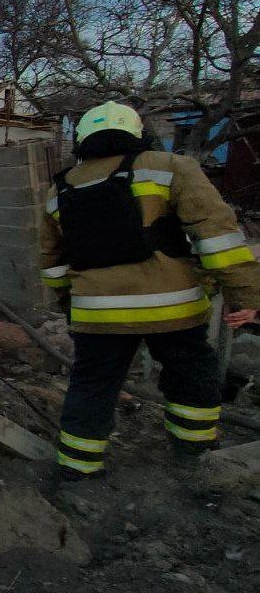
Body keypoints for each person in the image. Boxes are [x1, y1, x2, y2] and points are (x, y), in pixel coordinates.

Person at [40, 102, 260, 481]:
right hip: (173, 309)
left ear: (82, 139)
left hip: (97, 314)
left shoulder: (59, 190)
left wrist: (71, 306)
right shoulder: (171, 167)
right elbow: (216, 239)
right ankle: (194, 458)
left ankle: (77, 470)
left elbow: (52, 264)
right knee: (191, 376)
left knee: (92, 387)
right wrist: (247, 297)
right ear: (136, 133)